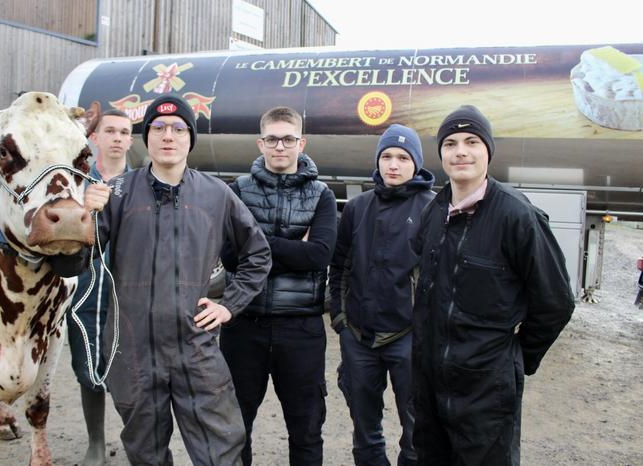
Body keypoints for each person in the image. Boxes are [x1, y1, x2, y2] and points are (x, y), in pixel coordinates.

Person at [80, 93, 272, 465]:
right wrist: (84, 218)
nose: (168, 135)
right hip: (133, 350)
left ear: (190, 138)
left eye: (178, 128)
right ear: (147, 137)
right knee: (144, 452)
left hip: (195, 347)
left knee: (222, 447)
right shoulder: (116, 195)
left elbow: (257, 254)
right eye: (158, 127)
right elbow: (77, 262)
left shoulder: (216, 194)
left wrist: (228, 306)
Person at [411, 105, 575, 465]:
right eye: (451, 143)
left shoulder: (517, 216)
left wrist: (513, 357)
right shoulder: (434, 211)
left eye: (472, 141)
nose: (461, 152)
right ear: (440, 153)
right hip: (429, 384)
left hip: (486, 391)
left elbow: (556, 302)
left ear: (488, 150)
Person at [219, 106, 337, 465]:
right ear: (260, 142)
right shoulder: (237, 191)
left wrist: (255, 240)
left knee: (306, 429)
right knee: (235, 428)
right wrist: (292, 246)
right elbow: (230, 257)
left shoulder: (322, 195)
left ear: (301, 143)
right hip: (244, 324)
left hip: (300, 329)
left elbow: (318, 255)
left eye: (288, 139)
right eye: (272, 139)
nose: (280, 146)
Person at [328, 124, 433, 466]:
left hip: (408, 338)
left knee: (417, 430)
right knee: (365, 430)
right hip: (359, 337)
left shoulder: (432, 209)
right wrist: (341, 319)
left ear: (416, 163)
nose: (393, 164)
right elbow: (339, 265)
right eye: (386, 156)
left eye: (403, 157)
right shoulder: (358, 207)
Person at [65, 109, 132, 466]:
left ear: (132, 140)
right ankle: (96, 444)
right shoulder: (76, 182)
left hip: (127, 294)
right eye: (111, 131)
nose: (118, 138)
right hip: (85, 290)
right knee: (87, 367)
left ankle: (135, 439)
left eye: (124, 132)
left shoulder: (140, 185)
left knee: (127, 370)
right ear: (96, 137)